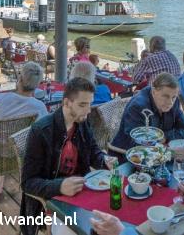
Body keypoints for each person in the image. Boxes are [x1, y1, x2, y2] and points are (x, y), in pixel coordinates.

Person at [20, 77, 118, 235]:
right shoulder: (41, 131)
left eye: (90, 104)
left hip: (84, 193)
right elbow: (27, 183)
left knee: (114, 219)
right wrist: (59, 186)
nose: (88, 110)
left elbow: (93, 151)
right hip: (53, 202)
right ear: (66, 103)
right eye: (82, 104)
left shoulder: (82, 120)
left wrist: (104, 160)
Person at [0, 62, 48, 203]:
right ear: (37, 85)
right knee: (11, 138)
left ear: (19, 79)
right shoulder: (39, 107)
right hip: (16, 153)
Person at [110, 72, 184, 155]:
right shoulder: (138, 107)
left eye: (173, 97)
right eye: (165, 96)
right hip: (126, 156)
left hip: (159, 153)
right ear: (154, 91)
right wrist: (171, 153)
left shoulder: (174, 100)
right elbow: (136, 146)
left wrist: (165, 136)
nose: (170, 102)